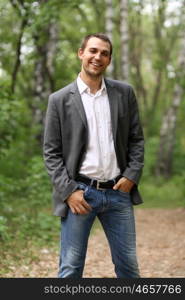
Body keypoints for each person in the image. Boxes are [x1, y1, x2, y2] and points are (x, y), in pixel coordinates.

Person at [43, 33, 144, 278]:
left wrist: (132, 175)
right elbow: (51, 152)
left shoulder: (124, 93)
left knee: (129, 268)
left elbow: (136, 140)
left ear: (109, 60)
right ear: (81, 53)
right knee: (70, 269)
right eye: (93, 51)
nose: (98, 57)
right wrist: (68, 191)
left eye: (104, 53)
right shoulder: (58, 100)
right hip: (80, 195)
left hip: (118, 193)